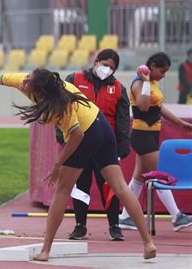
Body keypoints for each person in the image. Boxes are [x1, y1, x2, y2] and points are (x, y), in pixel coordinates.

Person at [0, 58, 156, 261]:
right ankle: (148, 244)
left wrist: (57, 164)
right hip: (100, 124)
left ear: (41, 90)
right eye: (26, 78)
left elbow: (76, 136)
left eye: (28, 81)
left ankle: (46, 249)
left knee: (62, 190)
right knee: (120, 187)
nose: (23, 82)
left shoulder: (60, 105)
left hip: (88, 131)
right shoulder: (33, 82)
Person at [56, 49, 129, 241]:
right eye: (105, 65)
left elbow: (122, 120)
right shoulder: (75, 79)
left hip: (105, 145)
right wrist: (61, 134)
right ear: (96, 61)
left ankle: (114, 226)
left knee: (110, 185)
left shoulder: (119, 89)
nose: (107, 69)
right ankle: (80, 226)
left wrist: (123, 144)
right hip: (79, 142)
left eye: (112, 68)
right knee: (81, 185)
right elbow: (61, 106)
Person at [119, 52, 192, 232]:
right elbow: (143, 106)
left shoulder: (153, 83)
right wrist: (144, 81)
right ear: (151, 66)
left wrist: (181, 123)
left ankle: (125, 217)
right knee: (161, 176)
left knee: (138, 179)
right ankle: (176, 217)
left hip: (152, 135)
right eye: (162, 71)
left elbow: (159, 107)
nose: (163, 75)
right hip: (142, 136)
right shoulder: (138, 83)